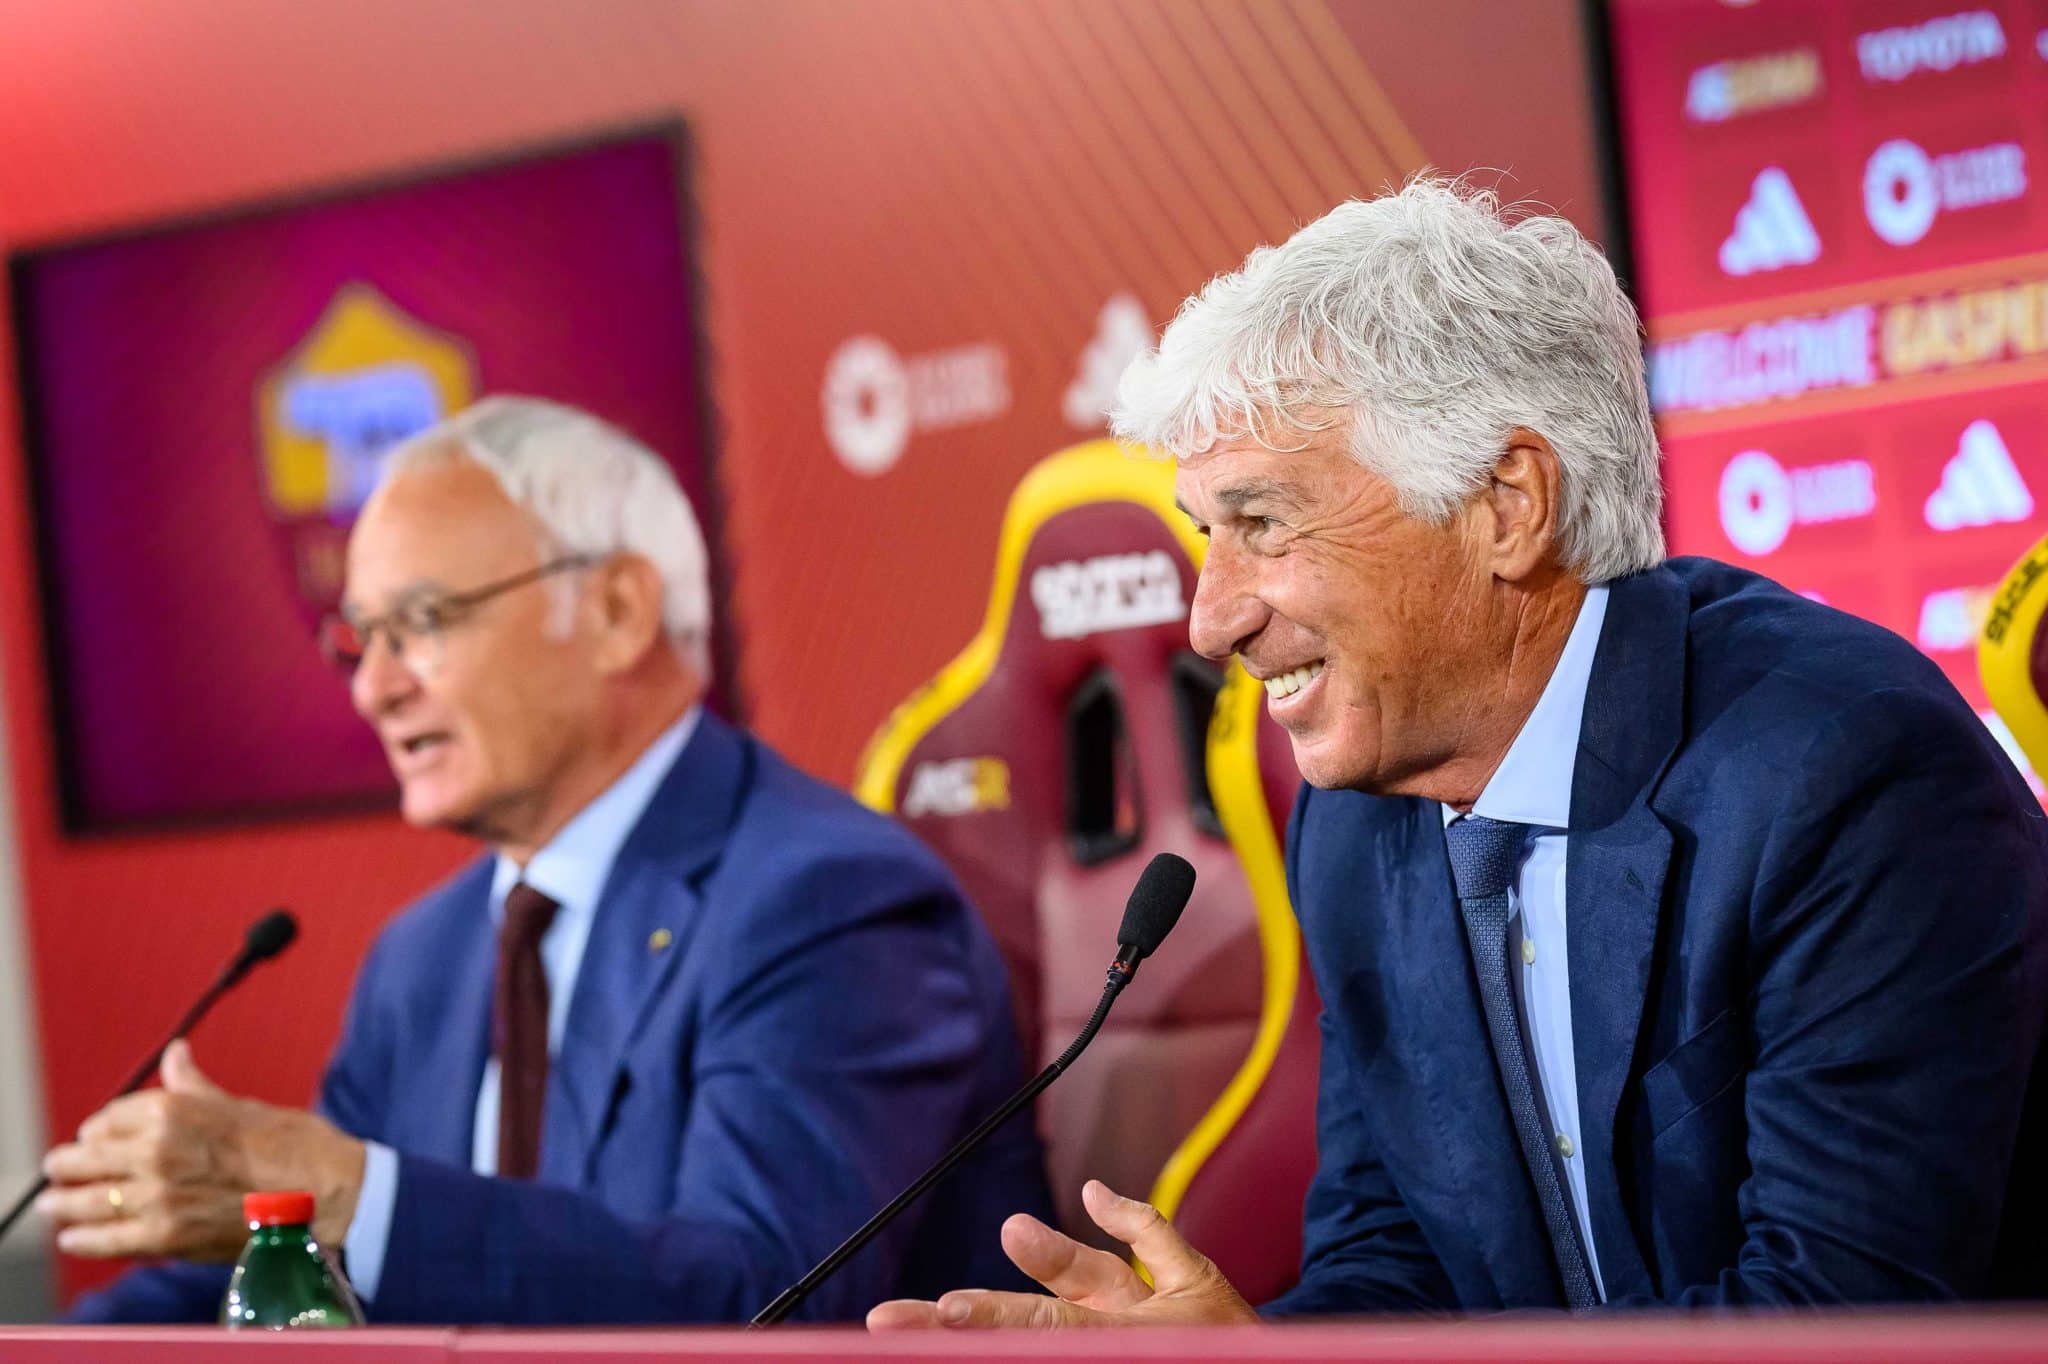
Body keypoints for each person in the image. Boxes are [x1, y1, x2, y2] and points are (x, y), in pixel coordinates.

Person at [868, 178, 2048, 1328]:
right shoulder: (1357, 818)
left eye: (1263, 525)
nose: (1208, 617)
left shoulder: (1843, 776)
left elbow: (1835, 1323)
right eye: (1203, 537)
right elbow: (1399, 1269)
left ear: (1504, 504)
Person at [42, 396, 1050, 1323]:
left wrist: (347, 1191)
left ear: (615, 610)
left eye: (423, 623)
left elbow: (762, 1296)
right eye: (362, 639)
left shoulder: (824, 902)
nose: (374, 689)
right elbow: (281, 1240)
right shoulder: (422, 958)